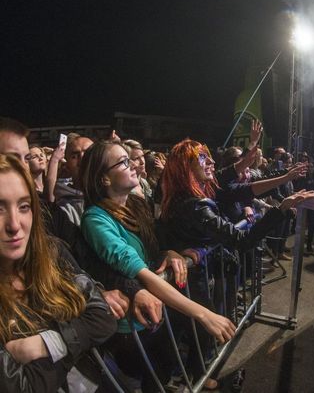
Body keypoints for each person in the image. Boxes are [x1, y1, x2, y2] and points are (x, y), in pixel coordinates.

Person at [79, 141, 236, 390]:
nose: (133, 165)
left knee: (164, 372)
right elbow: (139, 270)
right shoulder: (95, 219)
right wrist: (203, 314)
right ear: (104, 179)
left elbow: (152, 248)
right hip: (130, 326)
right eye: (123, 162)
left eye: (130, 159)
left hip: (156, 312)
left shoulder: (136, 205)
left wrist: (168, 252)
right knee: (149, 381)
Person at [0, 153, 117, 392]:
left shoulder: (51, 252)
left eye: (24, 206)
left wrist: (47, 344)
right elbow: (26, 387)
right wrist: (76, 341)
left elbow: (103, 317)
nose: (14, 224)